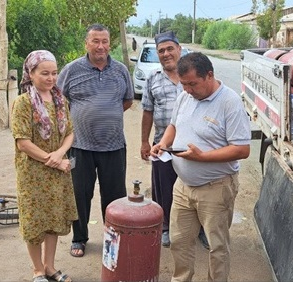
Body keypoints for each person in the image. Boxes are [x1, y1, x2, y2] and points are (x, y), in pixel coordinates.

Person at [150, 52, 251, 281]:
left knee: (217, 247)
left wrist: (202, 157)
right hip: (183, 186)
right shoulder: (185, 96)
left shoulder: (229, 102)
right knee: (179, 241)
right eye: (184, 84)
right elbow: (174, 125)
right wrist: (163, 143)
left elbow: (242, 149)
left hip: (216, 188)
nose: (187, 89)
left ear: (209, 75)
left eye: (192, 84)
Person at [57, 23, 134, 258]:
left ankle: (114, 238)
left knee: (115, 196)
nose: (101, 46)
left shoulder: (121, 70)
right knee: (80, 194)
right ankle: (79, 238)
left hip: (113, 146)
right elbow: (59, 102)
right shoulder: (71, 70)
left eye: (104, 41)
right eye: (95, 41)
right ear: (86, 44)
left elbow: (127, 101)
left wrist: (104, 115)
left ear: (110, 44)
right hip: (80, 147)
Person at [11, 50, 77, 282]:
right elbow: (23, 143)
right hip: (33, 173)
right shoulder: (23, 103)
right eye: (44, 73)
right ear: (31, 73)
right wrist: (53, 160)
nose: (50, 78)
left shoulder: (60, 101)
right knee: (34, 221)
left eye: (54, 73)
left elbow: (69, 133)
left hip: (57, 171)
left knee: (53, 219)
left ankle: (50, 267)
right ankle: (37, 269)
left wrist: (59, 155)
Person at [141, 31, 209, 249]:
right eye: (161, 50)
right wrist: (145, 142)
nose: (166, 53)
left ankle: (201, 230)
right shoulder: (153, 78)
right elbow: (147, 112)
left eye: (170, 48)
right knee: (165, 188)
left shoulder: (194, 75)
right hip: (163, 143)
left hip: (195, 145)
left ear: (179, 49)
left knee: (198, 188)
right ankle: (166, 228)